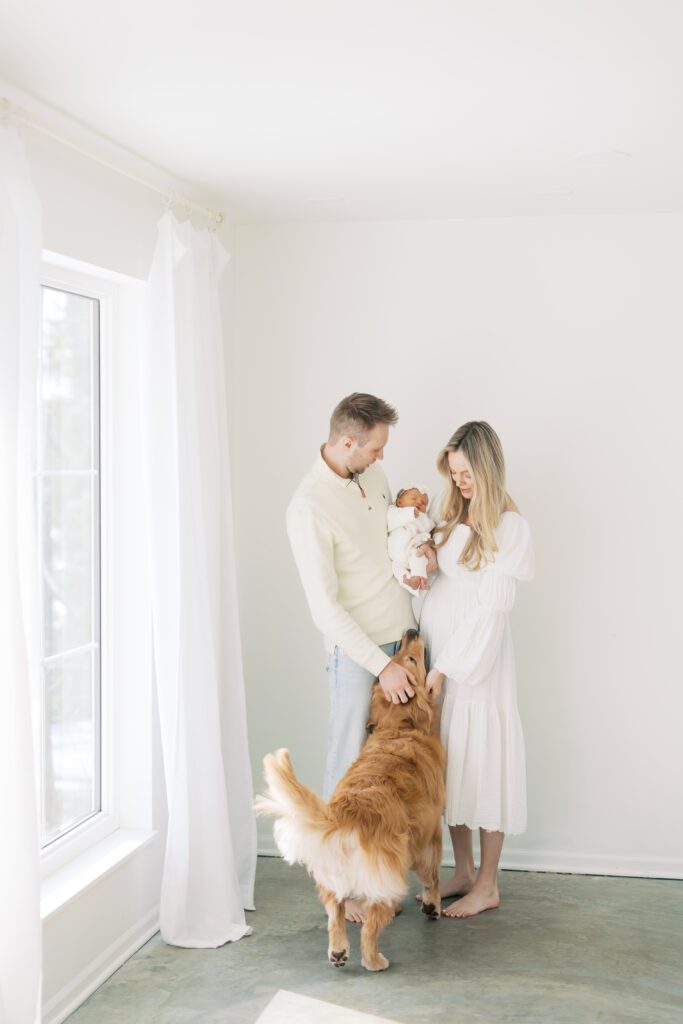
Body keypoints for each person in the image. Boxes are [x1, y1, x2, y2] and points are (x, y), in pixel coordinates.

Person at [286, 393, 422, 922]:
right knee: (347, 771)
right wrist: (380, 665)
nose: (382, 458)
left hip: (402, 641)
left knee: (391, 774)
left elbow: (386, 545)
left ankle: (375, 879)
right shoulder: (308, 508)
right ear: (347, 442)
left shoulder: (376, 478)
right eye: (375, 448)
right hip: (358, 656)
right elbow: (325, 608)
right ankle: (336, 890)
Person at [419, 421, 534, 918]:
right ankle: (462, 870)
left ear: (486, 468)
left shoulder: (509, 524)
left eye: (466, 473)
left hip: (475, 664)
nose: (460, 482)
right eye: (454, 473)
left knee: (482, 764)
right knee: (453, 766)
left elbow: (490, 610)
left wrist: (446, 666)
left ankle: (487, 883)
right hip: (442, 655)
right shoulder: (455, 511)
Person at [387, 486, 435, 591]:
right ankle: (408, 579)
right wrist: (410, 513)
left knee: (418, 557)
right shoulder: (394, 512)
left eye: (423, 503)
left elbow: (428, 527)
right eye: (414, 498)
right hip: (394, 554)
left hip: (411, 548)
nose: (419, 503)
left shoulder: (422, 518)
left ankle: (418, 579)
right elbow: (389, 520)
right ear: (399, 502)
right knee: (396, 569)